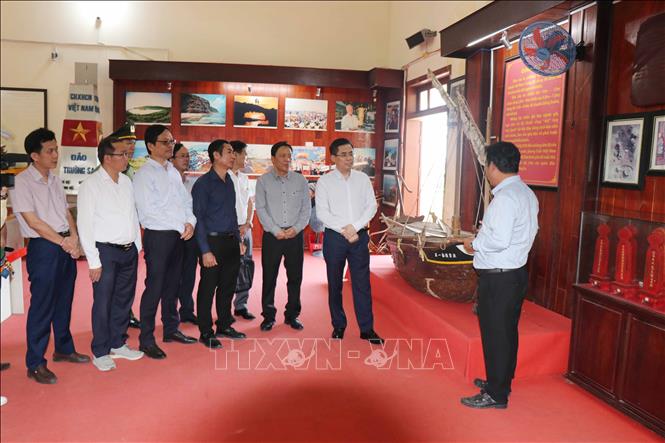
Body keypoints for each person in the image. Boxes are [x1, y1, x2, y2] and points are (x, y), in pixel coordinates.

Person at [460, 141, 539, 409]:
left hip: (499, 278)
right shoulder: (525, 193)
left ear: (493, 166)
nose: (486, 171)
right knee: (506, 333)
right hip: (514, 274)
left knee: (496, 333)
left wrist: (474, 244)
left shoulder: (505, 198)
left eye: (486, 166)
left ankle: (496, 394)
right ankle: (500, 381)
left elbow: (500, 240)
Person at [9, 128, 90, 384]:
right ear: (35, 156)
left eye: (56, 149)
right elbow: (33, 222)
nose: (56, 155)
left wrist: (74, 238)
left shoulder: (54, 179)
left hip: (64, 244)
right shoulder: (21, 182)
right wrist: (64, 242)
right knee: (42, 306)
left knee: (64, 301)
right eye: (50, 151)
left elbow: (66, 212)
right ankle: (35, 363)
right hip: (44, 247)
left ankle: (63, 348)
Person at [77, 137, 144, 371]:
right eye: (122, 154)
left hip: (128, 250)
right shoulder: (91, 185)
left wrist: (137, 245)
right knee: (103, 302)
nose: (127, 158)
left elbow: (132, 215)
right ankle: (100, 350)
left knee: (124, 300)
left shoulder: (126, 182)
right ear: (107, 158)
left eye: (127, 154)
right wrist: (93, 261)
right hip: (105, 252)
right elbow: (84, 225)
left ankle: (118, 342)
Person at [133, 124, 197, 359]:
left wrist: (190, 222)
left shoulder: (172, 171)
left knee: (173, 285)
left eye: (172, 141)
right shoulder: (144, 174)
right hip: (158, 236)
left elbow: (186, 201)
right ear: (151, 146)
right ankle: (146, 340)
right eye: (165, 142)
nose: (170, 145)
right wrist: (181, 225)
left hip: (179, 235)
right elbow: (147, 212)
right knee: (155, 287)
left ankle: (171, 329)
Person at [315, 138, 383, 344]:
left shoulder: (362, 179)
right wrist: (345, 230)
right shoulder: (324, 181)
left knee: (362, 283)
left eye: (351, 154)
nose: (349, 158)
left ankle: (367, 329)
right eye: (343, 154)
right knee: (335, 283)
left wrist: (355, 226)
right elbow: (322, 213)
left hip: (359, 237)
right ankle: (338, 325)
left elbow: (371, 206)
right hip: (335, 238)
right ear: (333, 158)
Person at [191, 140, 246, 349]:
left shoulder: (229, 181)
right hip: (212, 242)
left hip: (231, 241)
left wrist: (239, 240)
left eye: (234, 152)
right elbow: (198, 219)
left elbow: (232, 214)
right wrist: (205, 251)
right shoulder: (203, 184)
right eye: (229, 152)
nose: (233, 156)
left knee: (227, 286)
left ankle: (224, 324)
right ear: (216, 155)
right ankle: (206, 331)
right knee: (208, 288)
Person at [255, 141, 310, 331]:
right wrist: (275, 230)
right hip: (273, 237)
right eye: (282, 156)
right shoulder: (263, 181)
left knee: (295, 277)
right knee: (269, 277)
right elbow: (261, 208)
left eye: (289, 156)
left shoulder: (300, 180)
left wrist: (296, 228)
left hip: (295, 235)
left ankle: (292, 315)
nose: (287, 159)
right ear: (273, 159)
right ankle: (268, 316)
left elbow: (306, 209)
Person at [107, 123, 141, 330]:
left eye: (133, 142)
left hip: (129, 236)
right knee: (111, 287)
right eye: (128, 142)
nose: (132, 146)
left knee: (126, 285)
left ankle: (125, 315)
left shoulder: (129, 170)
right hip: (111, 240)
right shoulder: (106, 172)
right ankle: (114, 321)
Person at [170, 143, 199, 325]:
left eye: (188, 156)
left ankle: (187, 310)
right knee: (172, 277)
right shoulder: (166, 183)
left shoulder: (193, 184)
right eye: (182, 156)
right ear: (171, 159)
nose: (186, 159)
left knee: (189, 275)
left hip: (190, 236)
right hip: (171, 236)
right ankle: (171, 314)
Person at [229, 140, 256, 321]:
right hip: (229, 231)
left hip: (246, 229)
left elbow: (250, 202)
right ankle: (224, 307)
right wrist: (236, 228)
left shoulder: (245, 178)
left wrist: (247, 223)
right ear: (235, 154)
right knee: (229, 268)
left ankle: (241, 305)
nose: (246, 157)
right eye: (245, 154)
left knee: (246, 265)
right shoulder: (224, 177)